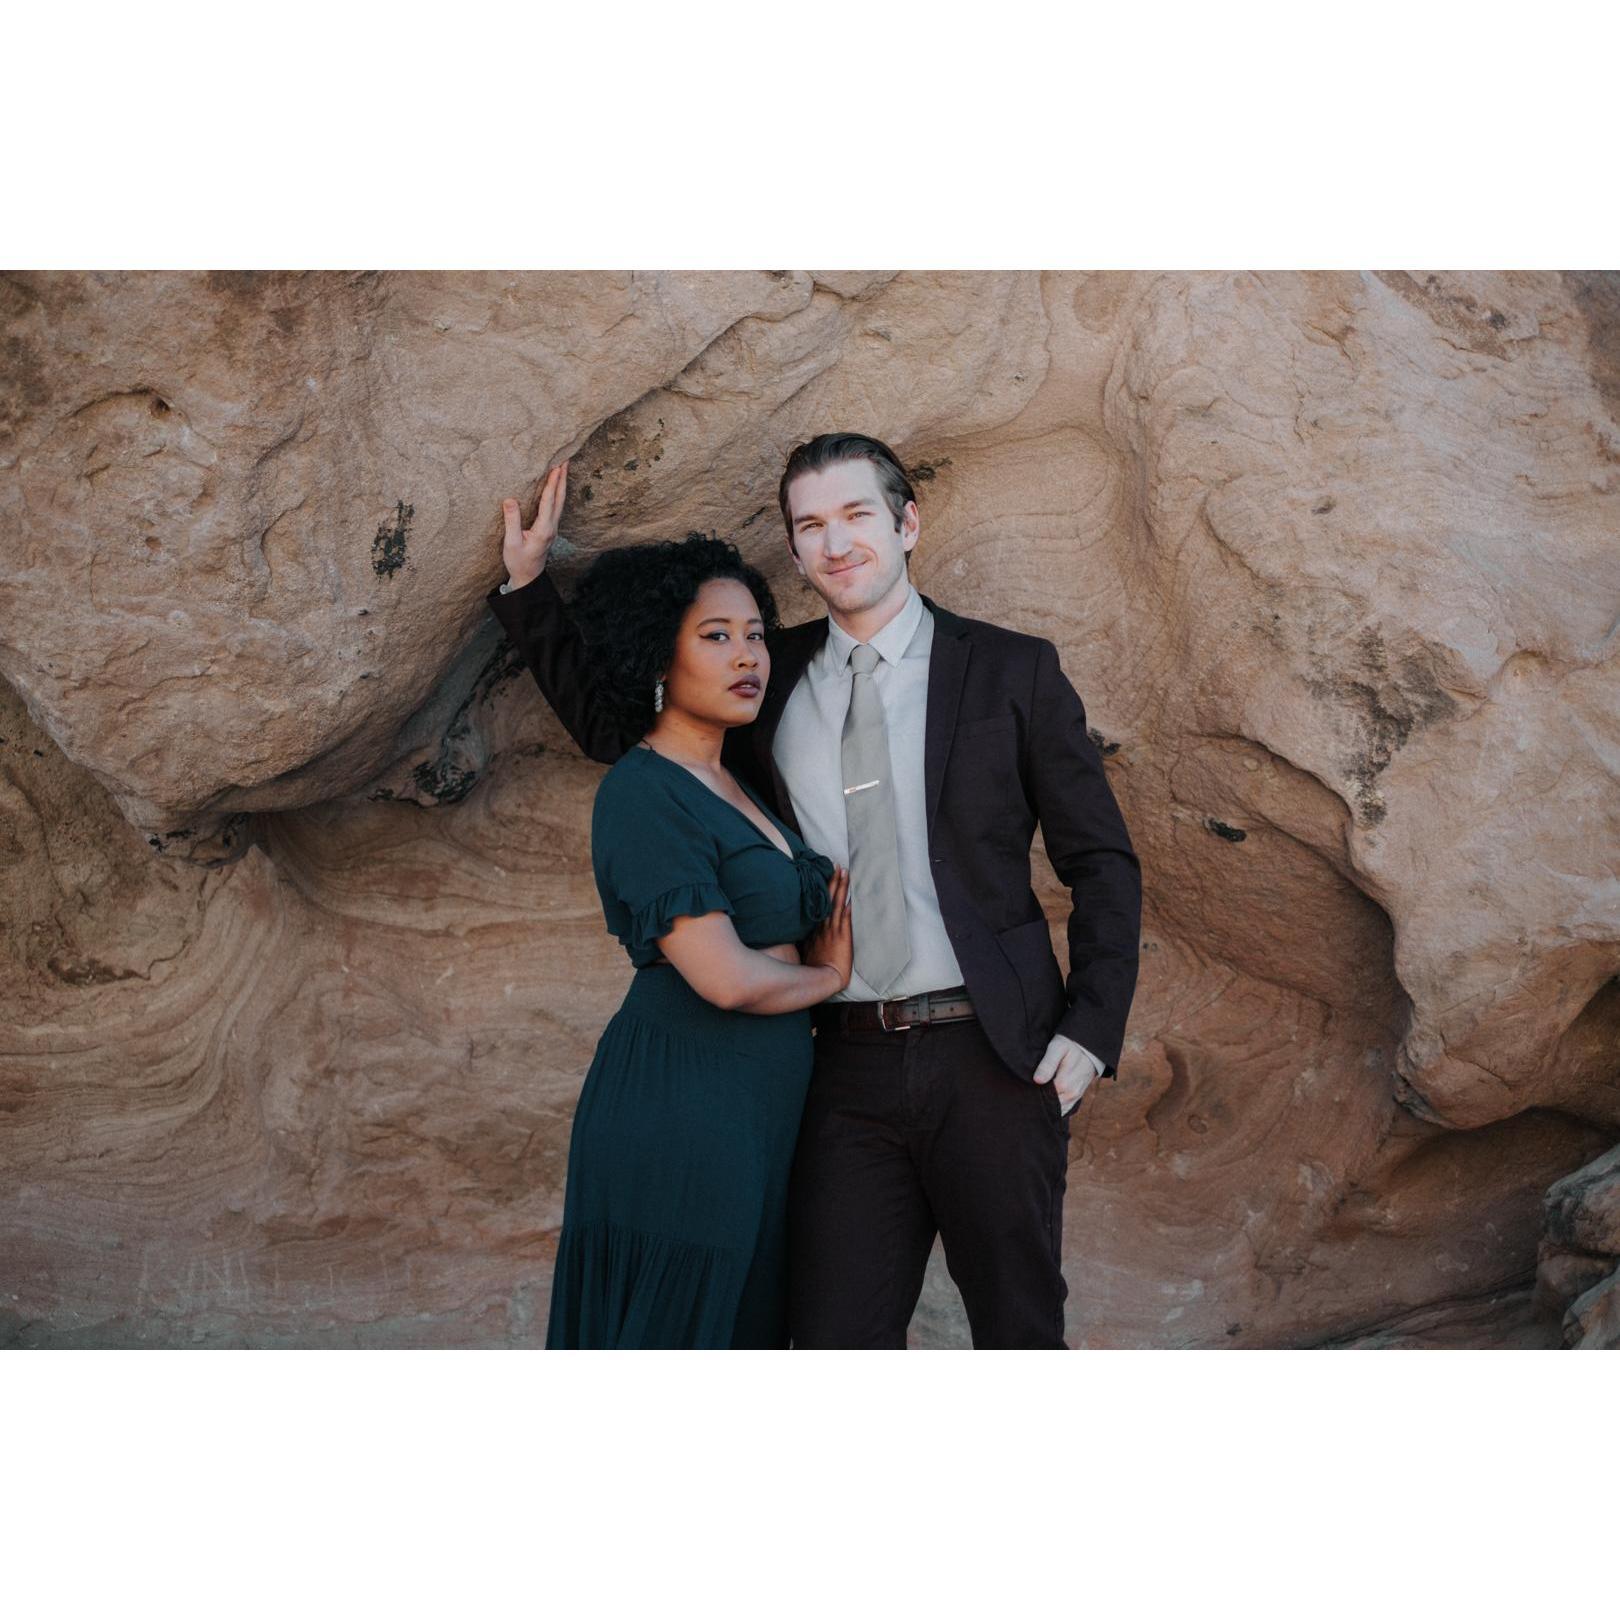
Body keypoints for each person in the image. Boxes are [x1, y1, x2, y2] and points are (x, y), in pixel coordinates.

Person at [489, 433, 1141, 1349]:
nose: (836, 544)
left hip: (993, 1056)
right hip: (839, 1067)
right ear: (792, 552)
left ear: (907, 522)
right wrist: (527, 593)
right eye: (811, 527)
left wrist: (1092, 1028)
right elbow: (629, 731)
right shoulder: (767, 673)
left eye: (857, 516)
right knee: (832, 1340)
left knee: (1020, 1332)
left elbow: (1101, 859)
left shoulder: (1010, 669)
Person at [523, 532, 853, 1349]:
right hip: (683, 1104)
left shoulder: (737, 776)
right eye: (715, 637)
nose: (747, 656)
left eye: (753, 635)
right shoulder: (641, 792)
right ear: (658, 657)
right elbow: (727, 979)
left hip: (760, 1107)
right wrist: (831, 976)